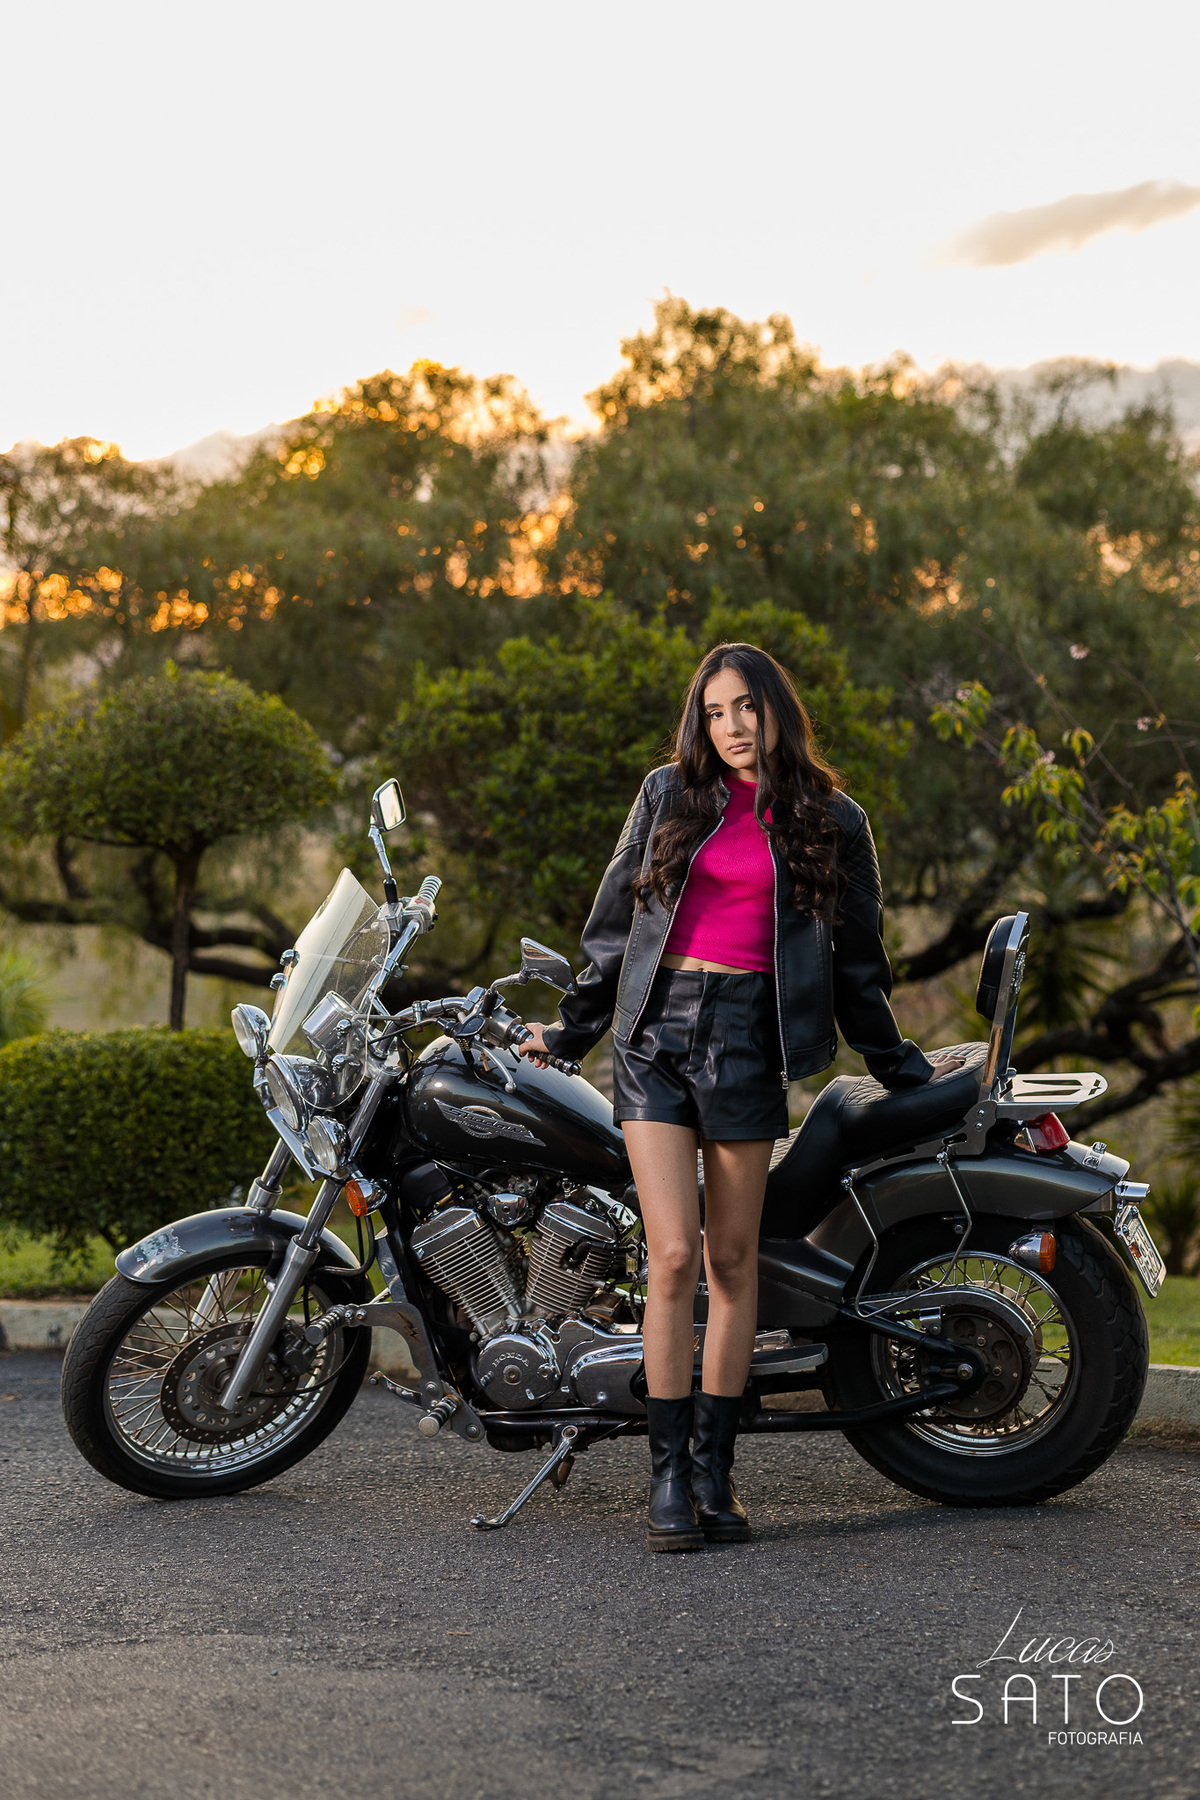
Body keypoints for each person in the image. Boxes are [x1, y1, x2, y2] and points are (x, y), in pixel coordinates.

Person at [519, 642, 958, 1552]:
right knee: (673, 1256)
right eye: (715, 712)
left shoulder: (832, 818)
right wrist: (567, 1032)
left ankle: (715, 1473)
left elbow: (859, 961)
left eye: (745, 708)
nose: (731, 727)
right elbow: (612, 928)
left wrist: (898, 1062)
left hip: (750, 1038)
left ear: (775, 710)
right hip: (655, 1036)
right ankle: (667, 1478)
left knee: (730, 1260)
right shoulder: (665, 796)